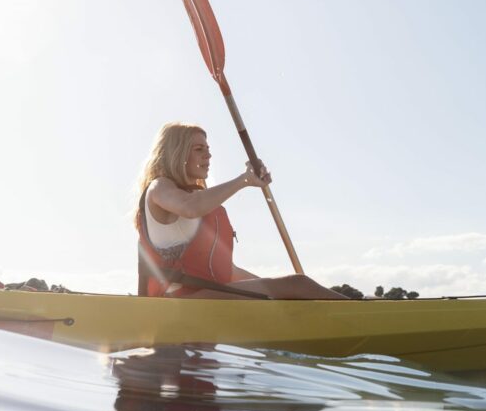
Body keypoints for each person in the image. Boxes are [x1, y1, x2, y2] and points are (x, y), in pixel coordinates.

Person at [135, 122, 349, 300]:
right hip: (179, 302)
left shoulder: (199, 198)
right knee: (299, 283)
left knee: (294, 288)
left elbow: (229, 271)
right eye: (199, 149)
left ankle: (353, 306)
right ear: (176, 152)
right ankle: (358, 312)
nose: (208, 156)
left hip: (205, 297)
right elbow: (190, 207)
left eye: (208, 150)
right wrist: (244, 180)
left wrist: (277, 291)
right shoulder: (159, 187)